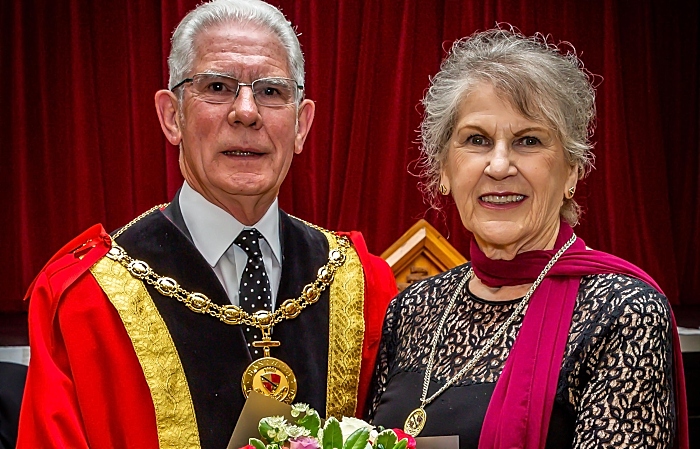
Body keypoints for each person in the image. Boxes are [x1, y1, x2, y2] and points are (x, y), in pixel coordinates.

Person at [17, 1, 397, 448]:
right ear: (171, 115)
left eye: (272, 92)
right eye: (217, 87)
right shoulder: (88, 300)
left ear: (302, 124)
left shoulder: (362, 285)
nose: (246, 112)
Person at [367, 29, 689, 449]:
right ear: (444, 169)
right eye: (477, 140)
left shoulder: (624, 313)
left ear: (572, 171)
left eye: (529, 141)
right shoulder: (412, 307)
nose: (499, 165)